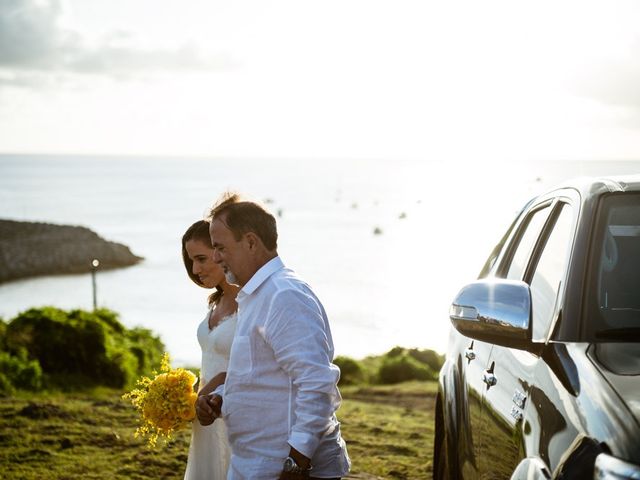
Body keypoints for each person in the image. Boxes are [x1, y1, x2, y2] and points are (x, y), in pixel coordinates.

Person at [202, 193, 350, 480]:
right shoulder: (257, 295)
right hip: (252, 464)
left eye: (220, 247)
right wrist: (220, 398)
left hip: (283, 470)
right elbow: (263, 376)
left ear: (251, 242)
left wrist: (296, 464)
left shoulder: (284, 296)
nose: (216, 257)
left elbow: (316, 384)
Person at [181, 220, 239, 480]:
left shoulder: (250, 301)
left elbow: (258, 363)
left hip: (236, 412)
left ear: (221, 251)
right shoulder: (216, 301)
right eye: (191, 261)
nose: (195, 269)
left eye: (201, 258)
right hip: (206, 413)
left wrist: (209, 390)